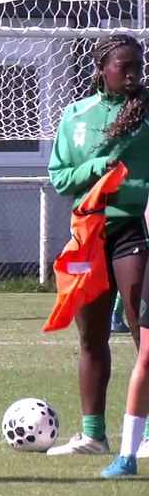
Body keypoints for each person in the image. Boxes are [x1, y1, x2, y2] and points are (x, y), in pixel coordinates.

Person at [47, 33, 149, 457]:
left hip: (131, 232)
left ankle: (144, 435)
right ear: (102, 68)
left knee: (144, 335)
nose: (133, 74)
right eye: (124, 66)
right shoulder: (76, 116)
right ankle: (93, 436)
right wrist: (95, 166)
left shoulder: (147, 113)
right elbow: (60, 178)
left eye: (138, 67)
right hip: (88, 236)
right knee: (91, 337)